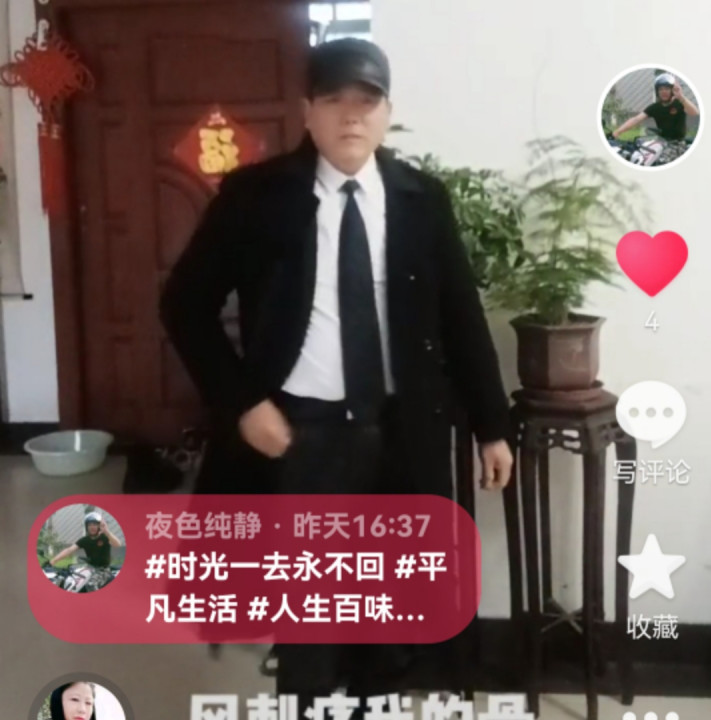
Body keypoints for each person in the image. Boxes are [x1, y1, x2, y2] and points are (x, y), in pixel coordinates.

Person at [160, 37, 513, 717]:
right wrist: (242, 403)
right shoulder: (256, 197)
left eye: (367, 101)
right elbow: (184, 305)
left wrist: (492, 426)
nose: (351, 116)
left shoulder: (421, 199)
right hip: (300, 438)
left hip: (400, 435)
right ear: (307, 112)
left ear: (387, 114)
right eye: (334, 100)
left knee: (387, 618)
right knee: (311, 626)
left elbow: (460, 317)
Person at [611, 72, 699, 164]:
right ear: (657, 91)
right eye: (661, 89)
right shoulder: (655, 107)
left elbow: (694, 113)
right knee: (640, 155)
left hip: (677, 144)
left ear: (672, 90)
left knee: (661, 162)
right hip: (661, 142)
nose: (663, 91)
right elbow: (636, 119)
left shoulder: (679, 103)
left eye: (667, 88)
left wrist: (681, 97)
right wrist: (617, 132)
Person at [49, 512, 122, 592]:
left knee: (91, 585)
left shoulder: (104, 537)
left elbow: (118, 544)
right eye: (89, 525)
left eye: (95, 524)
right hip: (90, 568)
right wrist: (53, 561)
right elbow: (69, 550)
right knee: (73, 581)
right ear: (86, 526)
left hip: (104, 570)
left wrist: (107, 532)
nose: (92, 527)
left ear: (99, 526)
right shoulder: (85, 540)